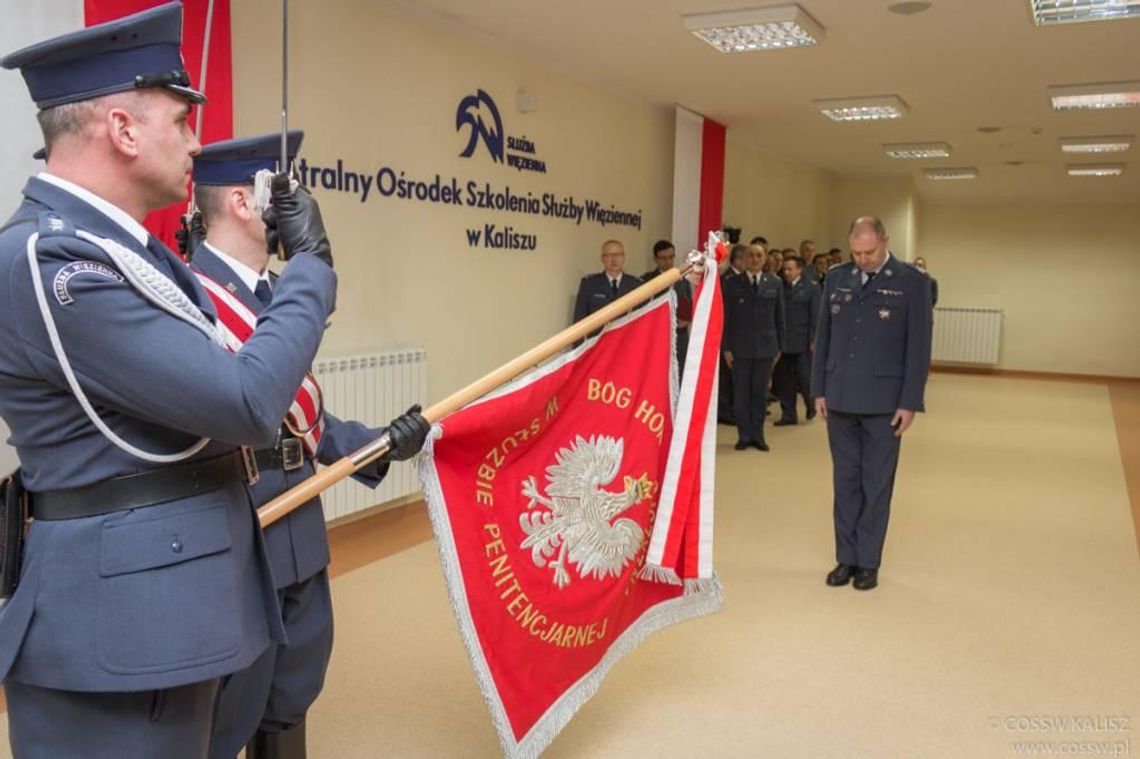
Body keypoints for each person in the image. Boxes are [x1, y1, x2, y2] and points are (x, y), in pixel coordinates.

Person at [0, 6, 428, 757]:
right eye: (182, 118)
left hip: (168, 602)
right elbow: (244, 400)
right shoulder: (55, 261)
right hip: (121, 623)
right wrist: (314, 267)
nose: (197, 140)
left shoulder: (133, 254)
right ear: (125, 129)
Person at [187, 132, 413, 759]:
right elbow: (241, 404)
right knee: (231, 699)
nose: (298, 205)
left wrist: (377, 445)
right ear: (241, 200)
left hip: (299, 520)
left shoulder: (273, 292)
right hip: (241, 519)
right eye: (280, 192)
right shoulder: (185, 295)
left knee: (295, 682)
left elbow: (296, 412)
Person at [811, 217, 932, 591]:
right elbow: (823, 338)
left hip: (884, 403)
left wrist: (910, 401)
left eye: (870, 251)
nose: (863, 259)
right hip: (840, 398)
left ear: (885, 241)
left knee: (876, 484)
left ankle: (868, 562)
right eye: (856, 252)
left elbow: (918, 347)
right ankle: (845, 558)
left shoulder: (912, 282)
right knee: (845, 481)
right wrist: (818, 390)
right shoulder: (836, 278)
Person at [722, 243, 785, 452]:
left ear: (765, 258)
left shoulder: (774, 283)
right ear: (744, 259)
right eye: (751, 256)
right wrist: (726, 347)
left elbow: (780, 317)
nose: (755, 259)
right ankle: (744, 435)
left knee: (760, 394)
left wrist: (779, 347)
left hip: (766, 347)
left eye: (759, 255)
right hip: (739, 348)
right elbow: (726, 319)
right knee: (741, 395)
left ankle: (758, 436)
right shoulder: (732, 283)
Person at [773, 256, 820, 426]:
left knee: (804, 378)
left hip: (802, 340)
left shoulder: (811, 287)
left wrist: (814, 339)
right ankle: (788, 414)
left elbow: (816, 316)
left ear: (799, 269)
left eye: (790, 269)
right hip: (783, 340)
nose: (786, 272)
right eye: (784, 269)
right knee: (785, 380)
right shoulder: (779, 286)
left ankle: (811, 405)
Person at [641, 239, 692, 372]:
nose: (668, 262)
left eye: (671, 257)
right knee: (657, 371)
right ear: (655, 259)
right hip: (656, 334)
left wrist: (687, 320)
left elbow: (689, 304)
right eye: (663, 258)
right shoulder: (646, 279)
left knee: (679, 372)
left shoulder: (683, 278)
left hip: (678, 335)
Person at [572, 239, 641, 322]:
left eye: (618, 255)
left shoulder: (636, 284)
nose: (614, 259)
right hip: (599, 334)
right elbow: (579, 318)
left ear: (623, 257)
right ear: (602, 259)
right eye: (609, 255)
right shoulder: (589, 284)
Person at [718, 243, 748, 425]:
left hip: (741, 335)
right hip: (728, 334)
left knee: (737, 376)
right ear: (738, 260)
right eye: (747, 258)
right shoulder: (726, 279)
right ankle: (725, 411)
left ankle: (735, 409)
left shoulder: (743, 278)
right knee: (727, 377)